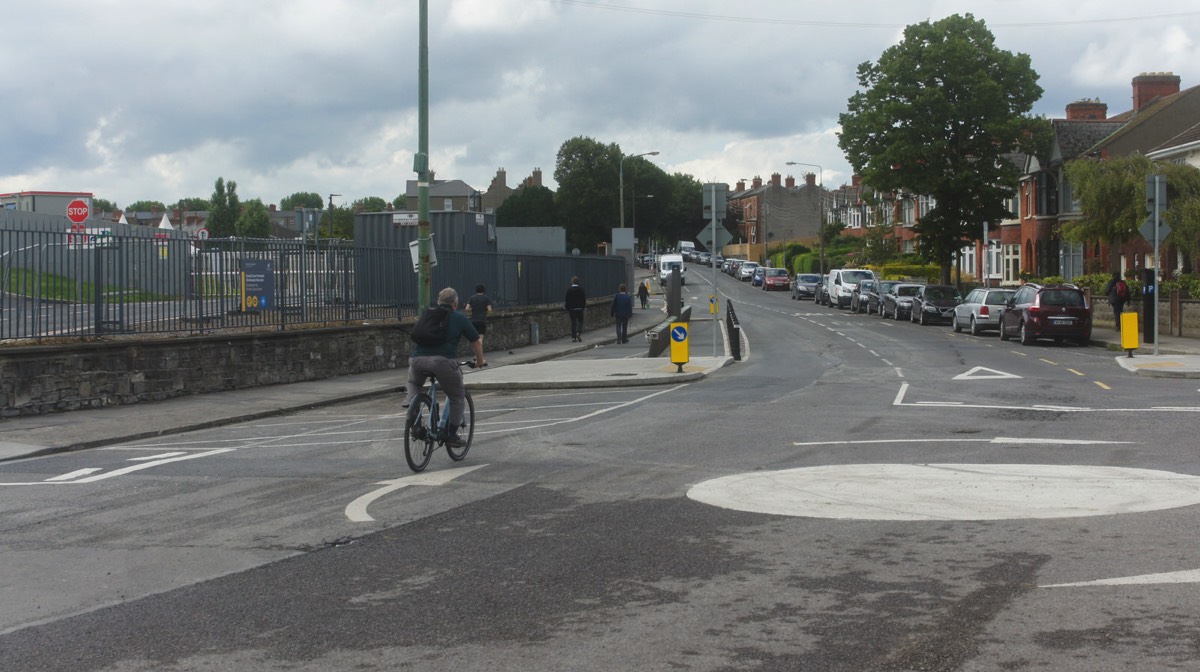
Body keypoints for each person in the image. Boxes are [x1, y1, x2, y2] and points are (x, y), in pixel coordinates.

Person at [404, 287, 486, 447]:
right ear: (455, 303)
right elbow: (476, 341)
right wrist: (480, 361)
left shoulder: (427, 315)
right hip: (442, 363)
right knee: (457, 395)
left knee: (413, 384)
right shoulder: (458, 318)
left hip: (416, 360)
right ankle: (451, 434)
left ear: (438, 301)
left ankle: (414, 413)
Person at [565, 276, 586, 342]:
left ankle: (573, 338)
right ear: (578, 282)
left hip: (572, 309)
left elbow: (567, 300)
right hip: (580, 308)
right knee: (580, 321)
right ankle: (578, 333)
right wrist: (583, 307)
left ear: (572, 282)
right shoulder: (581, 289)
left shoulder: (569, 290)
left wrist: (567, 308)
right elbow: (584, 299)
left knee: (573, 323)